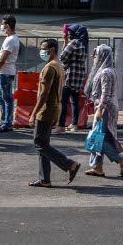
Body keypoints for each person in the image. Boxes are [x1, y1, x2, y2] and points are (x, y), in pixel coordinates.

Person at [28, 38, 81, 187]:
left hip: (46, 111)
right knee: (43, 144)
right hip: (54, 109)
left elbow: (44, 94)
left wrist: (33, 113)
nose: (41, 52)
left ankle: (70, 164)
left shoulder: (49, 68)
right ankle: (45, 179)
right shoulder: (59, 66)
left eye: (43, 49)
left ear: (51, 50)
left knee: (39, 144)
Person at [83, 44, 123, 177]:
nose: (93, 58)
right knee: (99, 137)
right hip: (103, 107)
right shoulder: (106, 70)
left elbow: (105, 93)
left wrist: (100, 109)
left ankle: (121, 159)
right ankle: (98, 167)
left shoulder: (106, 72)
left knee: (97, 138)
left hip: (105, 108)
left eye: (95, 55)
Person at [56, 24, 89, 133]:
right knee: (75, 101)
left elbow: (62, 57)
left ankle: (61, 125)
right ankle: (74, 124)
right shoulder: (84, 44)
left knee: (63, 101)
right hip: (79, 76)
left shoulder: (74, 43)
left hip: (70, 75)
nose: (69, 34)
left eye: (71, 32)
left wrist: (65, 43)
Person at [0, 14, 20, 132]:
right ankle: (4, 121)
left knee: (6, 97)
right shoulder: (9, 39)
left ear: (7, 25)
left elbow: (3, 58)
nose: (1, 26)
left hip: (6, 72)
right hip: (3, 72)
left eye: (2, 24)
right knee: (1, 97)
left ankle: (7, 123)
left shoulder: (11, 40)